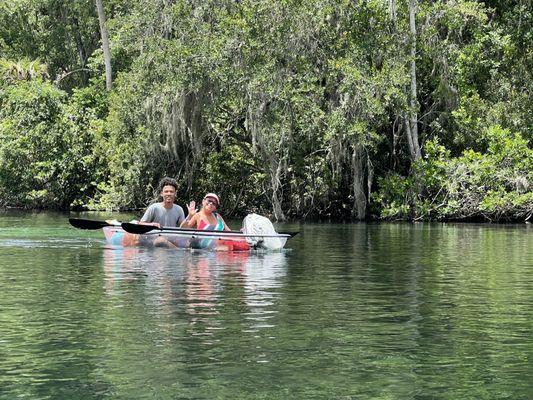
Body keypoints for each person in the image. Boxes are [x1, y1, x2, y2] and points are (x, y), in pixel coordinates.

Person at [181, 193, 249, 251]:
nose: (211, 203)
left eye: (214, 203)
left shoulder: (218, 216)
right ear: (203, 201)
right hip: (204, 253)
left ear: (215, 207)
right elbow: (182, 229)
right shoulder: (197, 216)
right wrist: (189, 216)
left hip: (221, 250)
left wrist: (240, 234)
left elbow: (229, 232)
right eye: (209, 200)